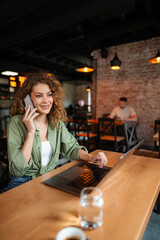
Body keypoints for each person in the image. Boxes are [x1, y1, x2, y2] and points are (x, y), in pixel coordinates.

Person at [7, 72, 107, 190]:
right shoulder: (16, 123)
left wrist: (91, 157)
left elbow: (71, 148)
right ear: (27, 99)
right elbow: (18, 169)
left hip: (49, 179)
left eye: (49, 95)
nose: (46, 101)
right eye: (39, 96)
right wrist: (31, 132)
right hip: (23, 183)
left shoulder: (55, 122)